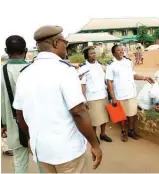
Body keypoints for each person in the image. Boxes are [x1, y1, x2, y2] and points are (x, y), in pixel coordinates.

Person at [13, 25, 102, 173]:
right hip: (67, 152)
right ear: (56, 43)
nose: (66, 45)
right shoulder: (65, 71)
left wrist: (30, 138)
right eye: (65, 42)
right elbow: (79, 112)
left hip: (41, 150)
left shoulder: (25, 74)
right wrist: (95, 144)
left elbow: (19, 114)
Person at [106, 45, 153, 142]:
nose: (121, 52)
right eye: (118, 50)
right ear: (114, 53)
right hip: (119, 94)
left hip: (131, 92)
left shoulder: (128, 62)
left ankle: (131, 130)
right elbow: (109, 81)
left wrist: (145, 78)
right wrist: (113, 97)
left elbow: (133, 75)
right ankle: (124, 132)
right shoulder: (111, 65)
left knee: (132, 114)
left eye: (122, 50)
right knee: (121, 115)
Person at [1, 35, 29, 173]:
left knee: (19, 163)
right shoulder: (33, 70)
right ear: (26, 50)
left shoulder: (1, 72)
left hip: (13, 124)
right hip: (36, 125)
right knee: (43, 161)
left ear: (6, 50)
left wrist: (2, 124)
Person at [78, 46, 112, 143]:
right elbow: (83, 85)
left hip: (103, 95)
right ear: (86, 55)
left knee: (104, 118)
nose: (93, 55)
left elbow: (105, 80)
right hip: (92, 98)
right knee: (94, 120)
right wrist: (84, 100)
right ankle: (94, 136)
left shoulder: (100, 65)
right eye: (91, 53)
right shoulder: (83, 68)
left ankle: (103, 134)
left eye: (94, 53)